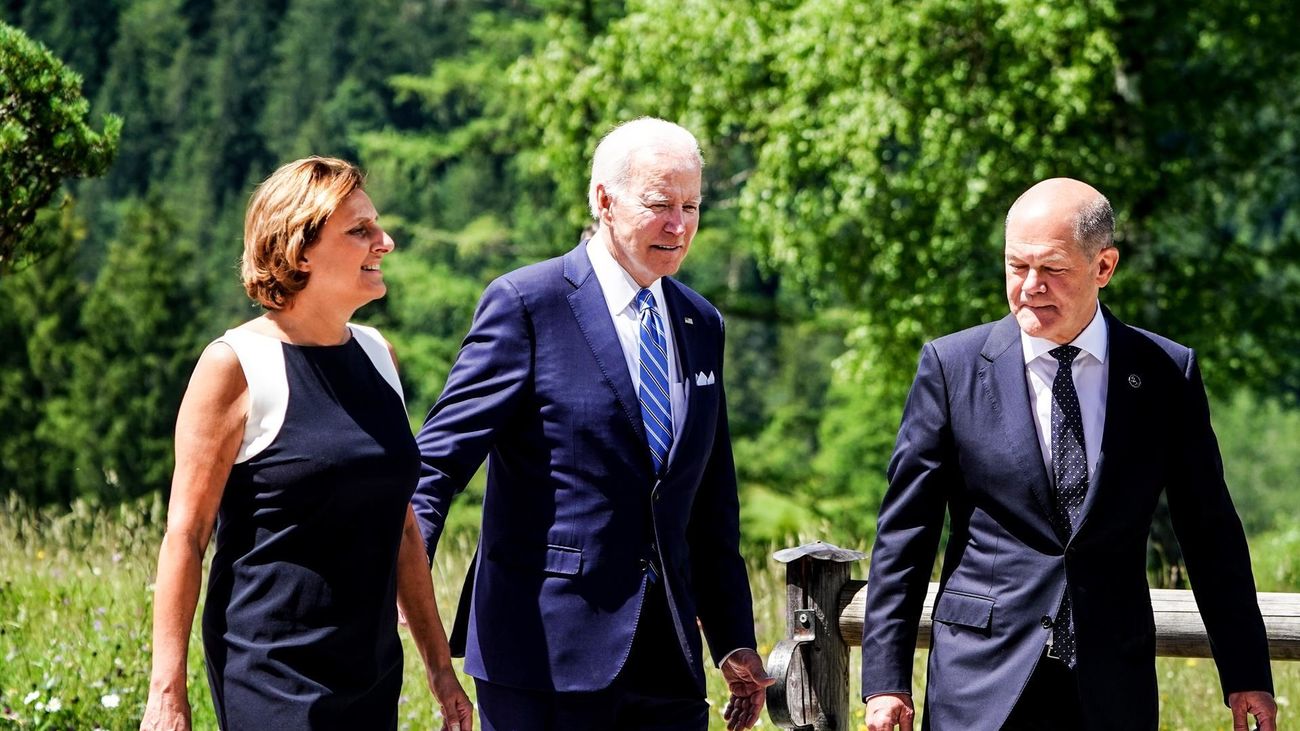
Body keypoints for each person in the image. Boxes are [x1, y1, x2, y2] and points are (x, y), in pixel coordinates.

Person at [860, 178, 1278, 731]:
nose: (1031, 287)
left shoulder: (1164, 374)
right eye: (1016, 267)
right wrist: (886, 682)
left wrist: (1246, 673)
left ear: (1103, 267)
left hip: (1110, 685)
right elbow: (905, 535)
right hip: (979, 685)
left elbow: (1210, 533)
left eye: (1052, 269)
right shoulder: (951, 366)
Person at [412, 117, 773, 731]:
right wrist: (401, 567)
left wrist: (734, 639)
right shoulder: (527, 303)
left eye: (692, 206)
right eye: (660, 204)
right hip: (542, 651)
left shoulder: (699, 321)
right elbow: (439, 461)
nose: (679, 225)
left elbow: (711, 497)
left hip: (667, 657)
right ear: (604, 200)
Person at [140, 157, 474, 731]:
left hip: (370, 670)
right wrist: (167, 693)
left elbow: (401, 527)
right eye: (360, 230)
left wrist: (440, 671)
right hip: (269, 670)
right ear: (299, 251)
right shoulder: (235, 366)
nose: (385, 242)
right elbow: (186, 536)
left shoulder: (378, 357)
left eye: (377, 226)